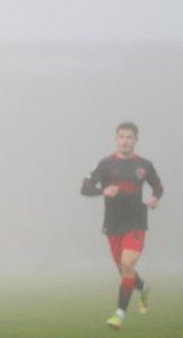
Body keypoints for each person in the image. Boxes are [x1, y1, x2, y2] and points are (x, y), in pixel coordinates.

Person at [81, 122, 163, 330]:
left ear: (136, 140)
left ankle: (119, 314)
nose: (125, 140)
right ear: (116, 139)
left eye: (129, 137)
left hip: (136, 221)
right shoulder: (106, 164)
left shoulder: (144, 165)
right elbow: (85, 188)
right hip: (113, 223)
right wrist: (103, 191)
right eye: (122, 136)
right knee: (124, 271)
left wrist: (154, 198)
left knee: (127, 264)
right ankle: (143, 288)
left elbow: (158, 186)